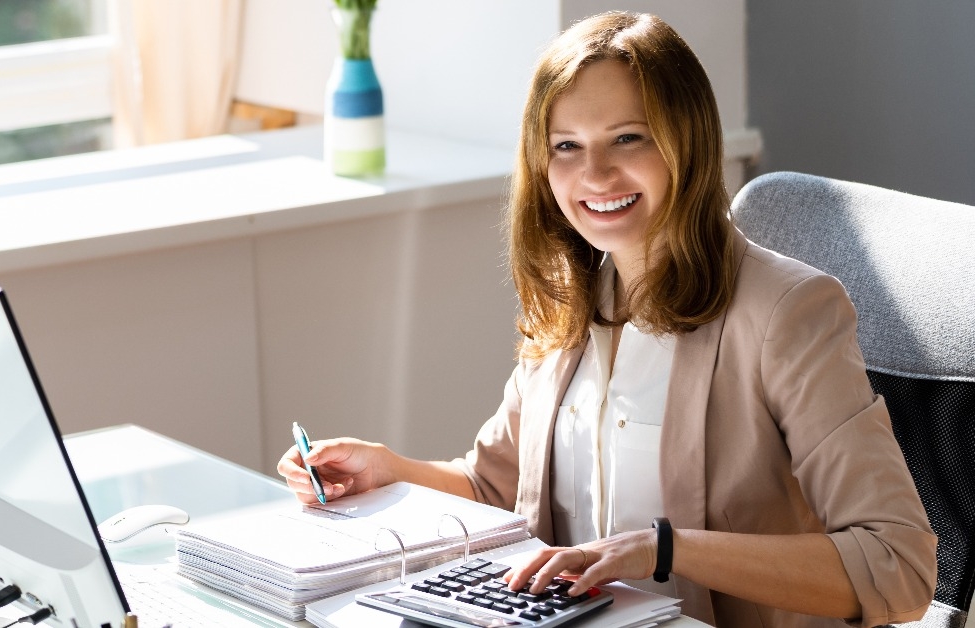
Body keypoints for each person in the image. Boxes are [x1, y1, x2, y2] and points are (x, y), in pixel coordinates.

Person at [277, 11, 936, 628]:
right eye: (566, 145)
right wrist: (391, 468)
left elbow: (898, 564)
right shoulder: (570, 297)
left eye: (628, 138)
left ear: (689, 143)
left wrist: (662, 550)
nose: (594, 173)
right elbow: (498, 486)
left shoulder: (786, 313)